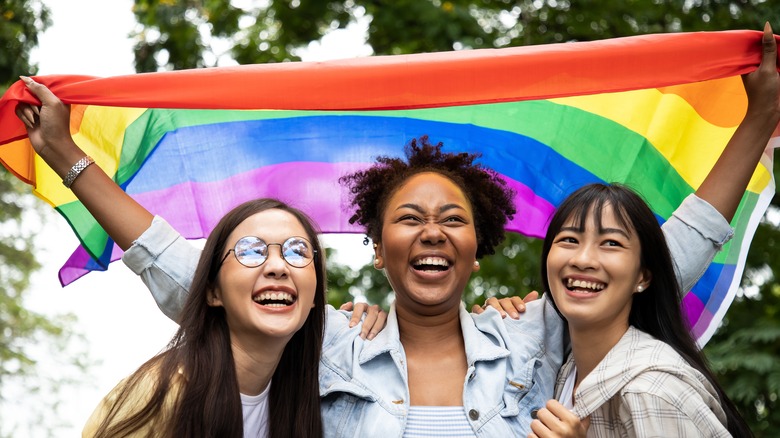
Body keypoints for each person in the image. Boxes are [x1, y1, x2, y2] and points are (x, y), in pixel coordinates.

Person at [16, 24, 778, 437]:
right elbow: (191, 272)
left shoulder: (535, 340)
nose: (432, 234)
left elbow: (664, 250)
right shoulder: (329, 344)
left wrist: (758, 123)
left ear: (480, 248)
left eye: (453, 221)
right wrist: (68, 157)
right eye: (408, 221)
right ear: (378, 250)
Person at [529, 183, 752, 437]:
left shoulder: (652, 391)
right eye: (569, 239)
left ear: (643, 277)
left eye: (611, 243)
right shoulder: (566, 372)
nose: (582, 259)